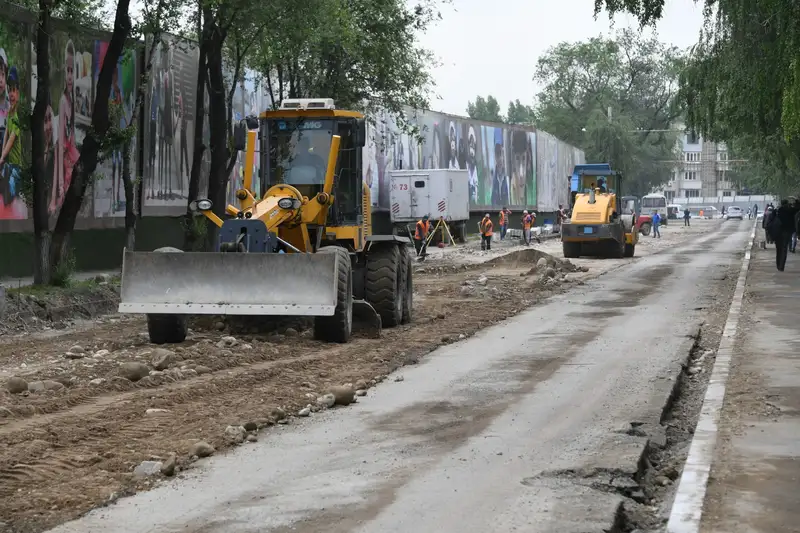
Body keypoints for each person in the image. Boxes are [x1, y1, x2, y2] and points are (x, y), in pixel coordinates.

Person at [769, 199, 798, 271]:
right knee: (784, 249)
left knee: (778, 249)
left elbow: (771, 221)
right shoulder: (790, 210)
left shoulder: (777, 210)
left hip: (777, 232)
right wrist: (797, 201)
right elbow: (797, 209)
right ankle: (781, 266)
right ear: (787, 203)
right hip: (787, 232)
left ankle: (778, 264)